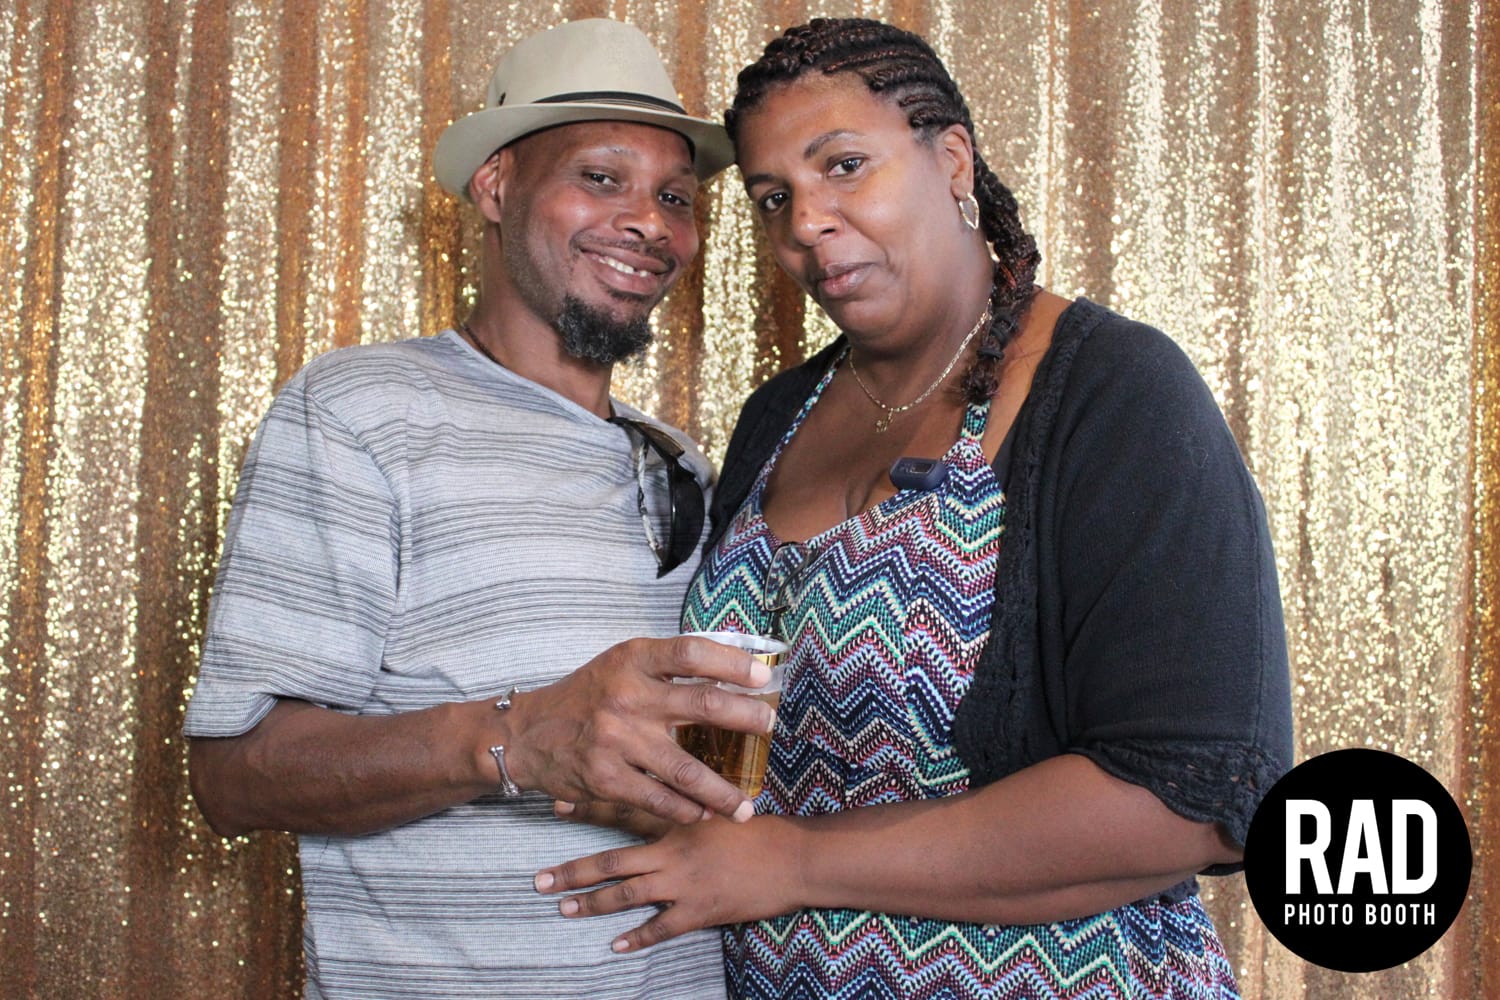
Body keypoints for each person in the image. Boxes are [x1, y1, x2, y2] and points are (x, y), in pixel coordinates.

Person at [535, 18, 1295, 999]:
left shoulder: (1111, 391)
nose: (807, 222)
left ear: (952, 161)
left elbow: (1194, 795)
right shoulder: (777, 416)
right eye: (774, 197)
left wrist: (796, 861)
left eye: (844, 166)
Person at [184, 19, 773, 1000]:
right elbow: (233, 776)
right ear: (496, 187)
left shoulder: (685, 464)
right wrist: (513, 738)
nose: (648, 223)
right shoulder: (361, 412)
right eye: (601, 178)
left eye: (675, 196)